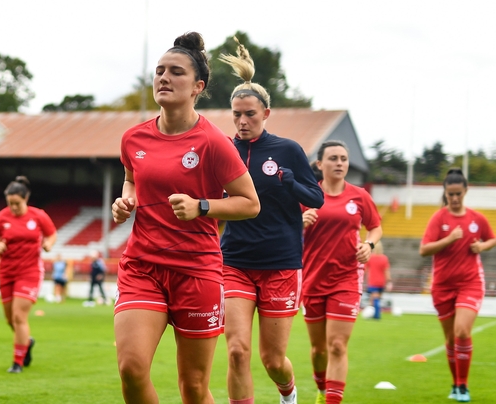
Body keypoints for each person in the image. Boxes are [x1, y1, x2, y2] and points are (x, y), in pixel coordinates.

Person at [112, 32, 260, 404]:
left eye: (175, 72)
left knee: (193, 388)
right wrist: (125, 201)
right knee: (131, 369)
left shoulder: (214, 142)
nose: (163, 77)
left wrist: (202, 206)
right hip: (142, 266)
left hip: (197, 270)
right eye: (159, 71)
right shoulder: (133, 139)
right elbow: (131, 181)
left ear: (198, 86)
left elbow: (250, 203)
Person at [219, 37, 324, 404]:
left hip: (280, 263)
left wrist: (291, 181)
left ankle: (288, 393)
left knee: (272, 359)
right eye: (236, 114)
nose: (242, 120)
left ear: (266, 113)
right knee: (236, 351)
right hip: (234, 261)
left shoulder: (288, 150)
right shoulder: (224, 150)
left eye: (249, 113)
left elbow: (317, 198)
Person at [301, 140, 382, 404]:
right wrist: (298, 222)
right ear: (319, 164)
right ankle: (322, 388)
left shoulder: (359, 196)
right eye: (333, 158)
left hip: (346, 278)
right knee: (318, 350)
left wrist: (369, 245)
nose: (339, 163)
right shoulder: (306, 195)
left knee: (337, 345)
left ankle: (333, 400)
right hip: (311, 280)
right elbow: (284, 232)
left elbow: (375, 227)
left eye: (344, 159)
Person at [419, 168, 496, 403]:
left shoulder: (476, 218)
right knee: (451, 340)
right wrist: (450, 238)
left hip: (470, 283)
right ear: (445, 192)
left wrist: (481, 247)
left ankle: (463, 386)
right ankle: (455, 384)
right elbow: (424, 250)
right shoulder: (439, 218)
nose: (454, 198)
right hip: (442, 286)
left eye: (458, 194)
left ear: (465, 192)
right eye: (450, 194)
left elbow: (491, 238)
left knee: (462, 331)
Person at [0, 176, 57, 374]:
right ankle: (27, 342)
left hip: (30, 271)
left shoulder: (38, 216)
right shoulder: (1, 218)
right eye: (10, 203)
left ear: (26, 199)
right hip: (7, 272)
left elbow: (51, 234)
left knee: (19, 316)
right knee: (10, 320)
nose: (13, 207)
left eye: (17, 203)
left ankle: (17, 362)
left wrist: (48, 244)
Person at [364, 242, 392, 320]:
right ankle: (374, 313)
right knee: (376, 299)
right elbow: (386, 271)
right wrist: (389, 281)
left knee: (374, 299)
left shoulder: (371, 258)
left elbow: (365, 270)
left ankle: (376, 315)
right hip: (381, 282)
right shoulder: (384, 258)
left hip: (373, 281)